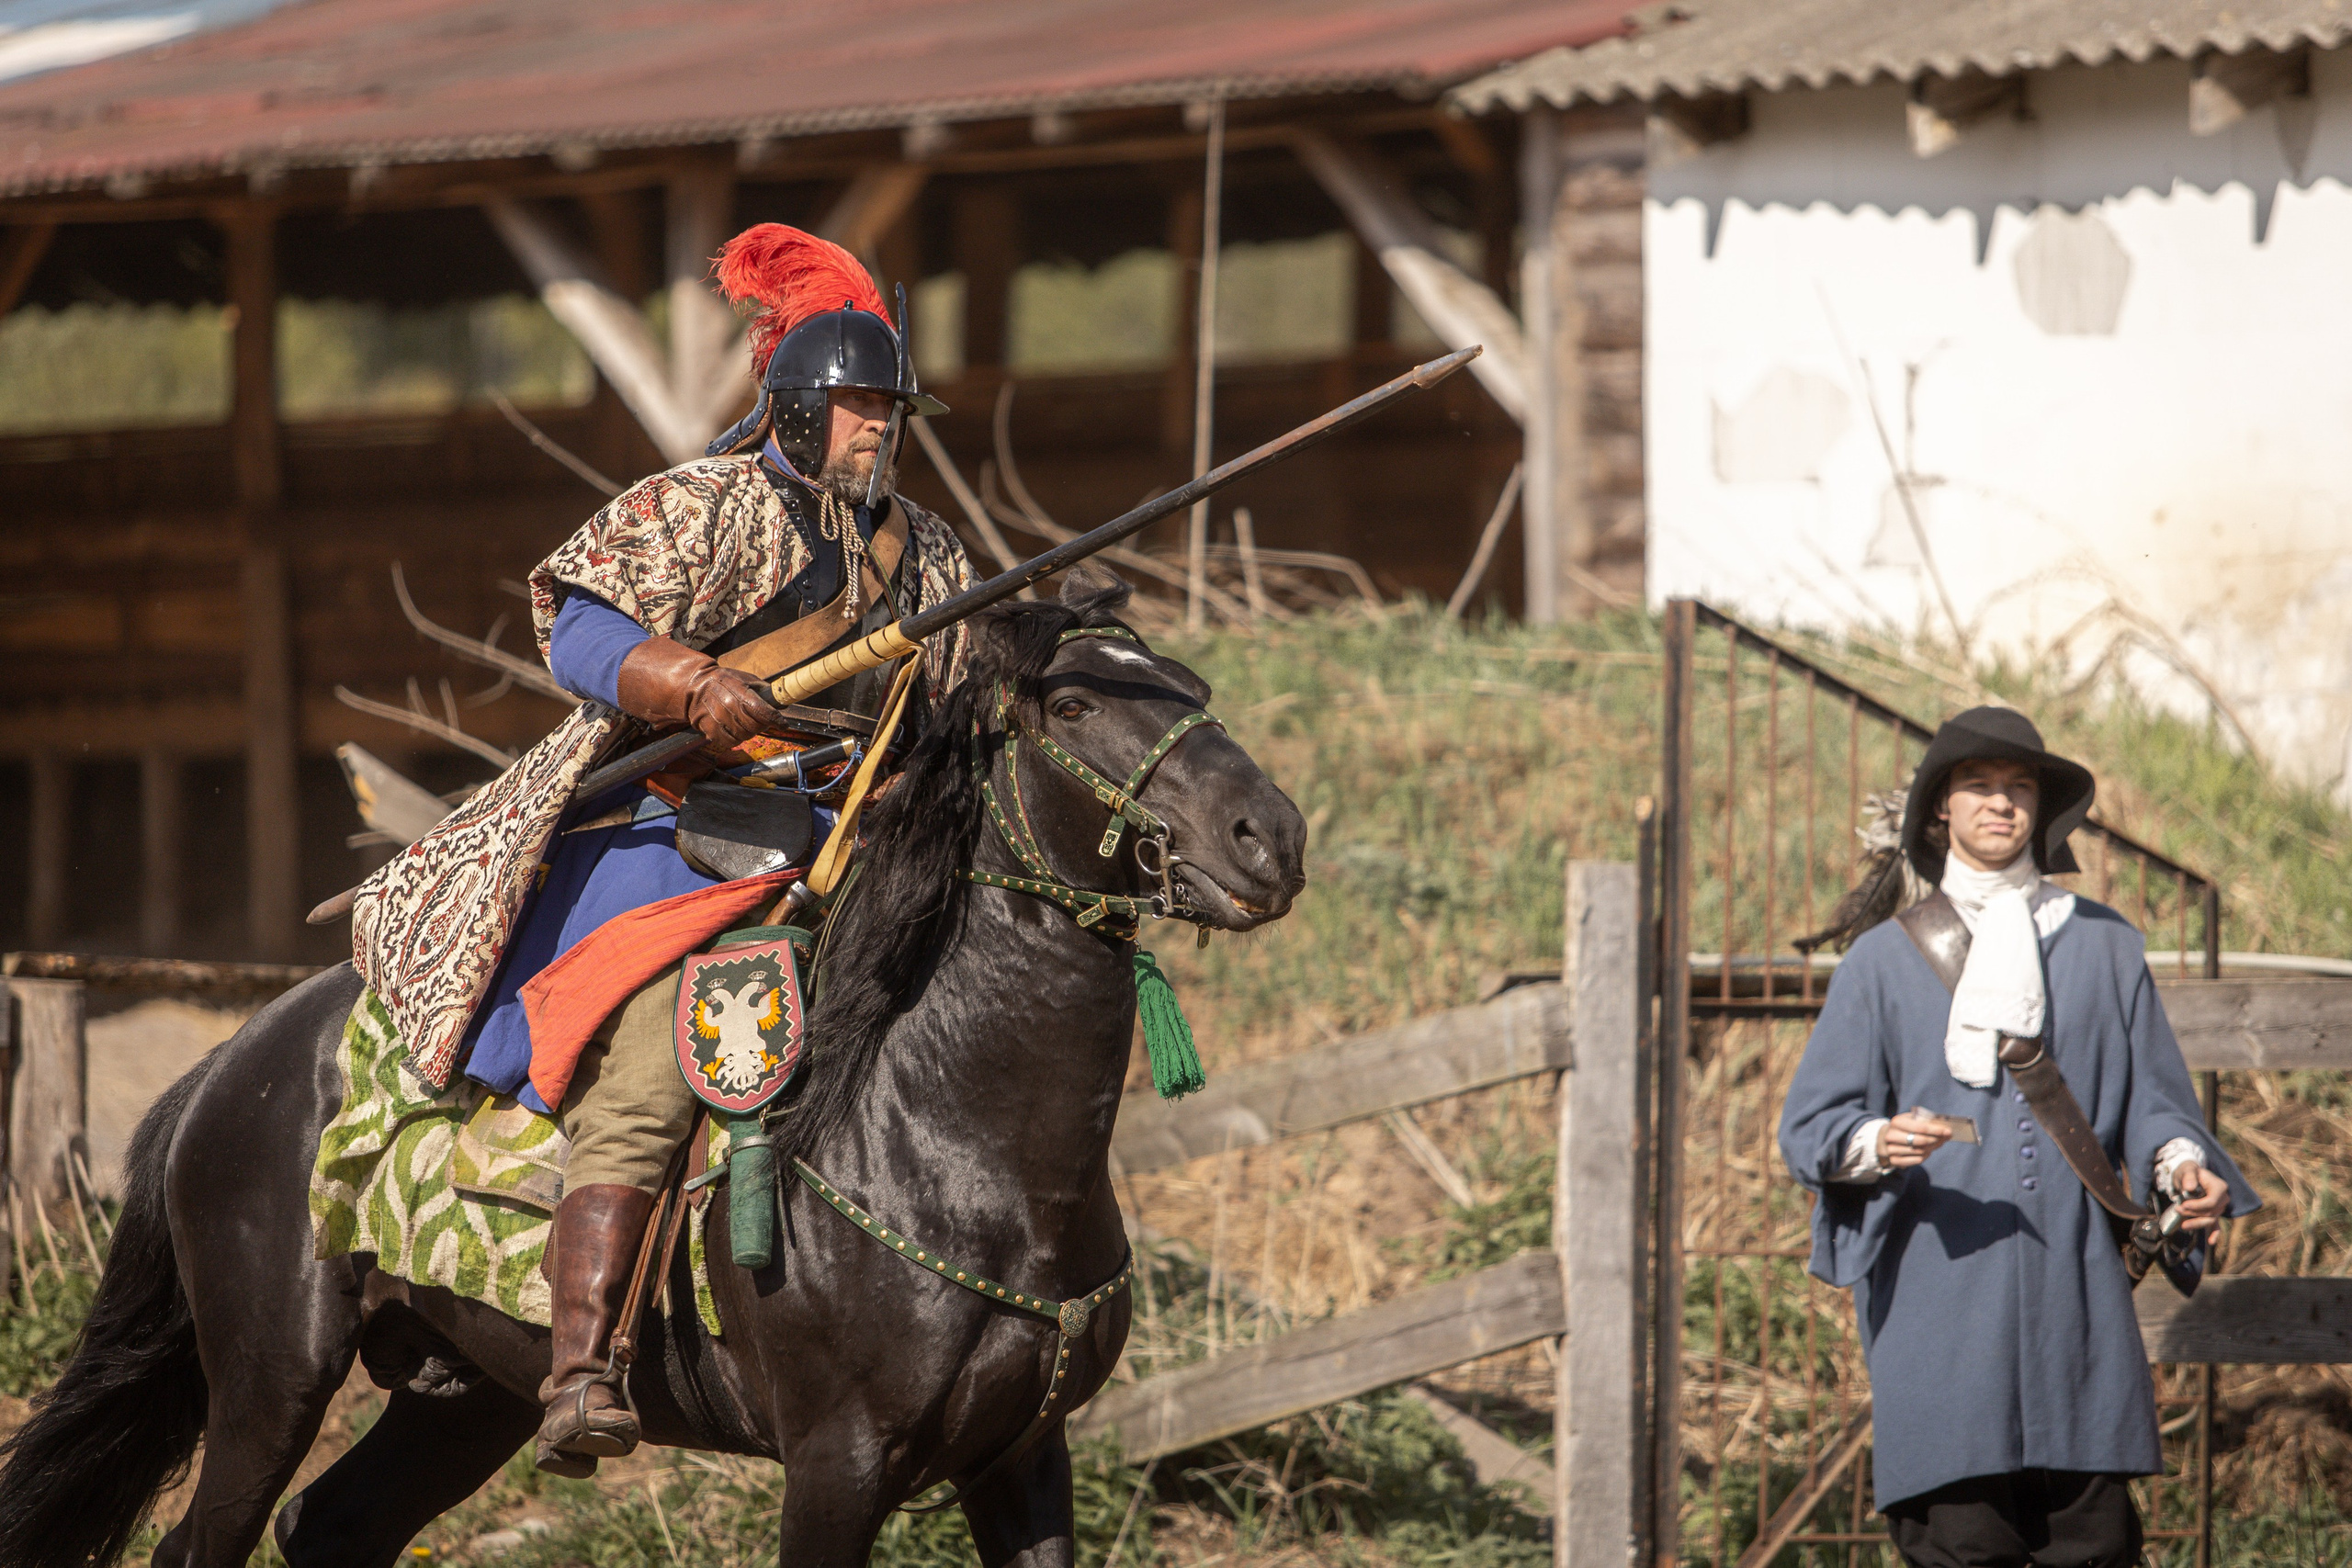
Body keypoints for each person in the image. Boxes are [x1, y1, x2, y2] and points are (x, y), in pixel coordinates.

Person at [347, 225, 974, 1476]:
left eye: (887, 410)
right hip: (691, 840)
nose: (877, 429)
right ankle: (583, 1369)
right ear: (794, 406)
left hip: (861, 853)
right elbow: (576, 623)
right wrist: (687, 684)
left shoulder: (934, 552)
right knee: (653, 1065)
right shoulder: (700, 506)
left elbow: (958, 699)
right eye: (855, 406)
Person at [1777, 706, 2257, 1568]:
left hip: (2079, 1310)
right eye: (1979, 787)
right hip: (1938, 1306)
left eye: (2020, 787)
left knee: (2097, 1546)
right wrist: (1879, 1139)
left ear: (2042, 808)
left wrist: (2183, 1166)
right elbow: (1810, 1126)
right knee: (1961, 1547)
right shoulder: (1879, 964)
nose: (2001, 804)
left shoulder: (2110, 947)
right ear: (1939, 811)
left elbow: (2158, 1102)